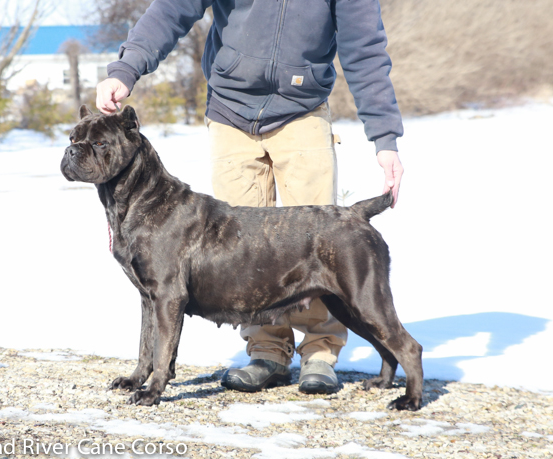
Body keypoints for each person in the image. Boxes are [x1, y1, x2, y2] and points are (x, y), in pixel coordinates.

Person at [96, 0, 404, 395]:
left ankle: (320, 354)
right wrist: (126, 68)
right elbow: (172, 9)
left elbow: (365, 47)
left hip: (303, 109)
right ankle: (267, 352)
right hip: (231, 110)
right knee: (236, 254)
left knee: (319, 247)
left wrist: (385, 137)